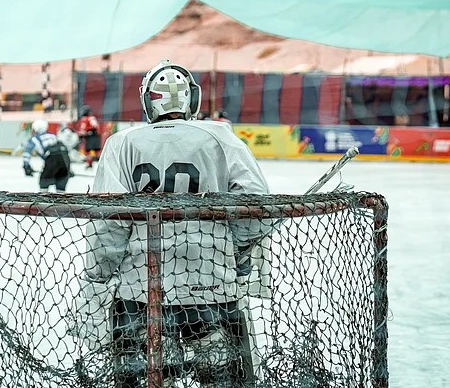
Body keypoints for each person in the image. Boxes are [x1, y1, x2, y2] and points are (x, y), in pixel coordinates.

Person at [71, 60, 271, 388]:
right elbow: (255, 203)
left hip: (141, 287)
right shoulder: (221, 137)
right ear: (191, 98)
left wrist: (99, 273)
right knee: (223, 378)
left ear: (148, 100)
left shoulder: (122, 143)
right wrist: (237, 251)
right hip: (212, 283)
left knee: (137, 377)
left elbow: (110, 221)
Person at [22, 120, 71, 192]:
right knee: (60, 186)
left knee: (43, 183)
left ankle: (43, 199)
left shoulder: (34, 139)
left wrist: (26, 166)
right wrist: (69, 169)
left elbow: (27, 154)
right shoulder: (53, 136)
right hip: (65, 159)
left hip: (51, 160)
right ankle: (61, 199)